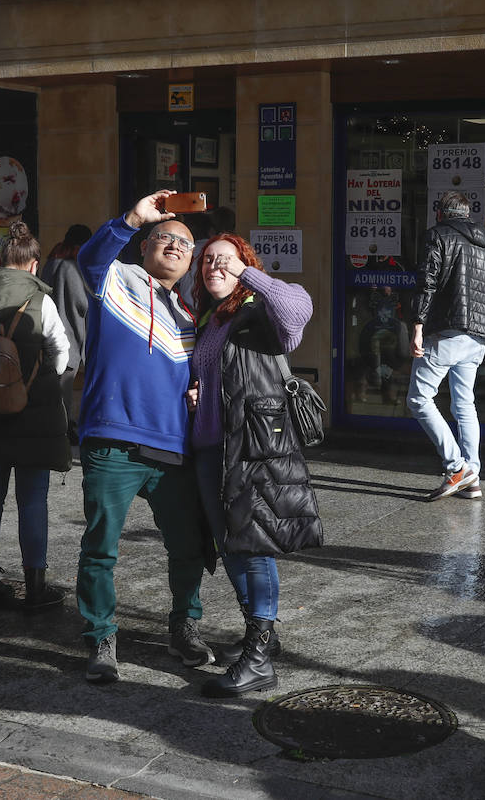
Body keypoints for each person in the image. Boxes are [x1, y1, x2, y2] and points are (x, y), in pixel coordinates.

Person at [75, 190, 212, 684]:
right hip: (112, 441)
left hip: (173, 447)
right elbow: (88, 256)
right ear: (144, 246)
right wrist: (134, 217)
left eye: (184, 243)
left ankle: (184, 627)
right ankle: (99, 639)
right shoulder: (113, 280)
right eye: (165, 238)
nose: (174, 245)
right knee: (100, 548)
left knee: (188, 547)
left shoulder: (193, 315)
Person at [190, 232, 321, 697]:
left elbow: (298, 307)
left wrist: (244, 272)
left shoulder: (262, 312)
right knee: (230, 545)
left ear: (246, 265)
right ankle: (258, 636)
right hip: (210, 448)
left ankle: (260, 658)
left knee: (253, 546)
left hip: (253, 448)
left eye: (223, 260)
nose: (213, 268)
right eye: (207, 261)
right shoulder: (212, 317)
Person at [0, 222, 71, 612]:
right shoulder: (40, 301)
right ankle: (35, 586)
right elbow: (61, 351)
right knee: (32, 499)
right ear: (34, 265)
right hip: (32, 412)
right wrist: (39, 382)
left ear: (1, 260)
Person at [407, 191, 485, 501]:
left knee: (419, 398)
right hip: (477, 337)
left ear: (441, 213)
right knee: (464, 405)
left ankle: (457, 467)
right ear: (468, 215)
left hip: (446, 331)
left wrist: (417, 326)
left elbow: (426, 281)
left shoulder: (437, 236)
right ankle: (473, 476)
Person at [40, 223, 92, 440]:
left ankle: (54, 424)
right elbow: (83, 304)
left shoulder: (51, 262)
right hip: (67, 336)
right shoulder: (70, 267)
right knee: (64, 388)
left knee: (52, 385)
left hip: (45, 334)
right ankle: (62, 428)